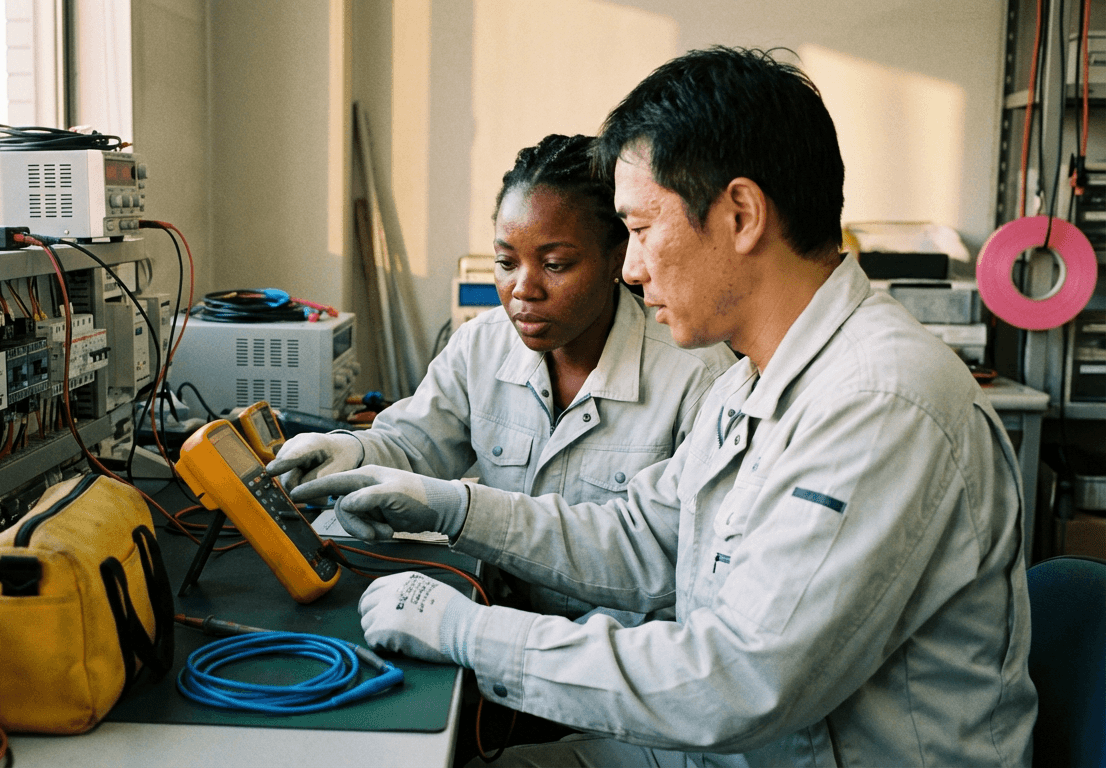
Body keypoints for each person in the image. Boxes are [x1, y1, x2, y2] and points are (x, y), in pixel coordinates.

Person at [291, 47, 1037, 767]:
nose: (634, 268)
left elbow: (742, 681)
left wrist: (469, 632)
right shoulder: (752, 381)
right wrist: (449, 505)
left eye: (642, 231)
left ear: (741, 213)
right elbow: (642, 538)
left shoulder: (880, 402)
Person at [268, 133, 734, 620]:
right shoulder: (481, 345)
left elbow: (671, 568)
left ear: (618, 259)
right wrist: (355, 452)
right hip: (500, 614)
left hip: (612, 652)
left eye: (555, 264)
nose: (523, 289)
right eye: (506, 262)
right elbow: (415, 446)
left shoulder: (696, 378)